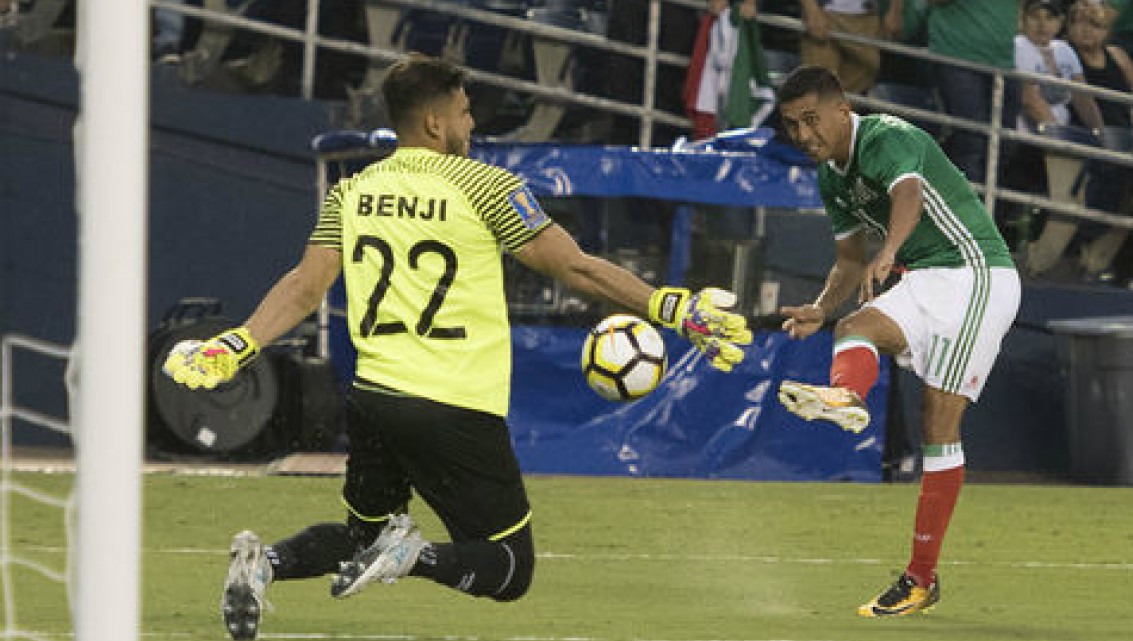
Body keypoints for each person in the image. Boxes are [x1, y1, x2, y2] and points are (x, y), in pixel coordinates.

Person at [162, 54, 752, 641]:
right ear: (437, 123)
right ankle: (414, 558)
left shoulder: (354, 191)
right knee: (509, 567)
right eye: (465, 112)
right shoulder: (484, 186)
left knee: (362, 533)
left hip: (374, 397)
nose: (472, 126)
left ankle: (263, 564)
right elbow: (577, 269)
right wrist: (673, 308)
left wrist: (237, 343)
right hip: (454, 402)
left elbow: (304, 287)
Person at [773, 66, 1020, 617]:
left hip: (977, 272)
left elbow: (908, 194)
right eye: (793, 125)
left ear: (843, 110)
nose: (805, 135)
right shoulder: (830, 177)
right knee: (850, 327)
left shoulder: (888, 136)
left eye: (812, 120)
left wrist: (891, 251)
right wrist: (819, 307)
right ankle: (846, 396)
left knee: (939, 423)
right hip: (924, 277)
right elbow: (847, 262)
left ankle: (919, 579)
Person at [1015, 0, 1107, 276]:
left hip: (1066, 142)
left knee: (1108, 176)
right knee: (1068, 204)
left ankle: (1079, 262)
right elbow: (1031, 99)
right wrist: (1060, 137)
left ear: (1060, 22)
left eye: (1051, 18)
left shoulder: (1065, 50)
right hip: (1033, 140)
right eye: (1036, 17)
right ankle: (1036, 266)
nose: (1043, 25)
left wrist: (1102, 137)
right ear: (1023, 19)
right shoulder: (1018, 46)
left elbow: (1083, 98)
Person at [1065, 0, 1133, 280]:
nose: (1086, 30)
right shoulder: (1066, 55)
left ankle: (1124, 266)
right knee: (1110, 172)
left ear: (1107, 30)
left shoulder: (1118, 55)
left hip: (1128, 136)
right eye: (1079, 22)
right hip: (1090, 136)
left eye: (1095, 24)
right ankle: (1080, 246)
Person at [925, 0, 1021, 185]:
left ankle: (985, 208)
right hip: (957, 56)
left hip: (1002, 64)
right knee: (971, 142)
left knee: (1004, 144)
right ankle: (965, 210)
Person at [798, 0, 904, 95]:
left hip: (866, 18)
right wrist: (811, 10)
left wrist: (895, 11)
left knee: (859, 84)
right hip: (824, 14)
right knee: (820, 85)